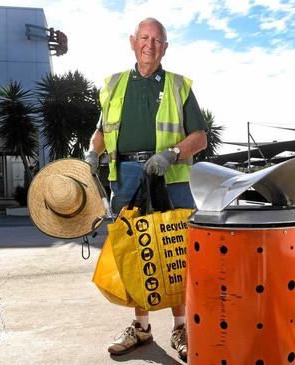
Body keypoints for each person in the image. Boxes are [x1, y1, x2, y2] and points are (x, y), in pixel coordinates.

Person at [84, 17, 207, 360]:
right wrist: (93, 153)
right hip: (124, 177)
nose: (149, 44)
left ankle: (181, 329)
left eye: (157, 40)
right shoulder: (112, 85)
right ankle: (141, 329)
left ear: (165, 48)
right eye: (144, 37)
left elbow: (200, 137)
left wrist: (172, 153)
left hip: (170, 178)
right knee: (136, 255)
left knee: (175, 253)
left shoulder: (179, 86)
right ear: (132, 42)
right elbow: (101, 131)